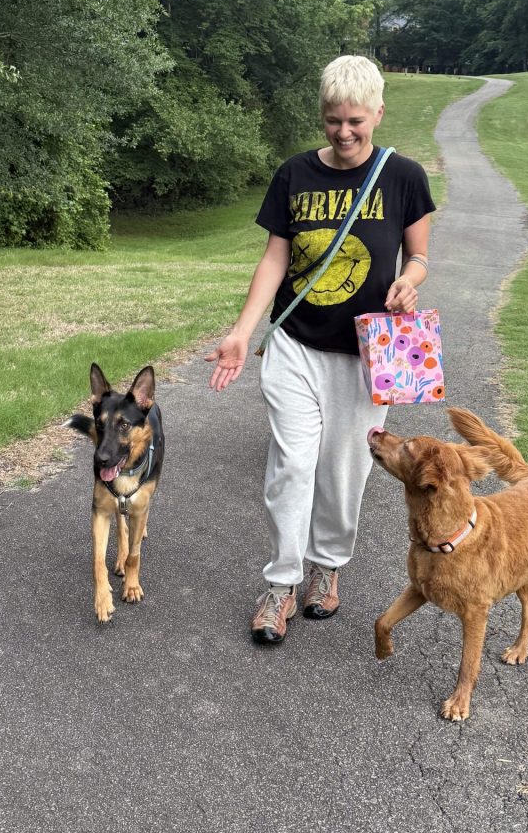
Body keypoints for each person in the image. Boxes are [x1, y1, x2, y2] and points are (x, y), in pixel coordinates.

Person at [206, 55, 435, 645]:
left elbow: (419, 255)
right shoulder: (295, 174)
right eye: (333, 120)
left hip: (365, 356)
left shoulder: (403, 177)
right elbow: (275, 258)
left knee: (344, 471)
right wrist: (242, 331)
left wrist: (410, 281)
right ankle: (281, 583)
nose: (344, 132)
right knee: (292, 466)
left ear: (378, 113)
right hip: (296, 345)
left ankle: (327, 567)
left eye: (355, 120)